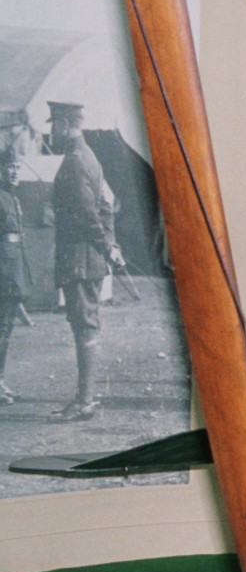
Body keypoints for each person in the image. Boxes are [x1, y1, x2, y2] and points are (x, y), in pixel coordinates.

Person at [48, 102, 118, 422]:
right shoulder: (89, 157)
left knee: (84, 326)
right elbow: (107, 205)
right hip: (88, 259)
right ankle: (84, 397)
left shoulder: (76, 161)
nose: (52, 131)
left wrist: (106, 247)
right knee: (85, 324)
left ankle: (85, 401)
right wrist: (111, 244)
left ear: (64, 124)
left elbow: (89, 213)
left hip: (79, 258)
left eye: (54, 125)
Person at [0, 147, 26, 406]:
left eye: (18, 167)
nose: (15, 171)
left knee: (5, 329)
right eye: (10, 167)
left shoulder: (13, 198)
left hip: (11, 276)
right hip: (2, 276)